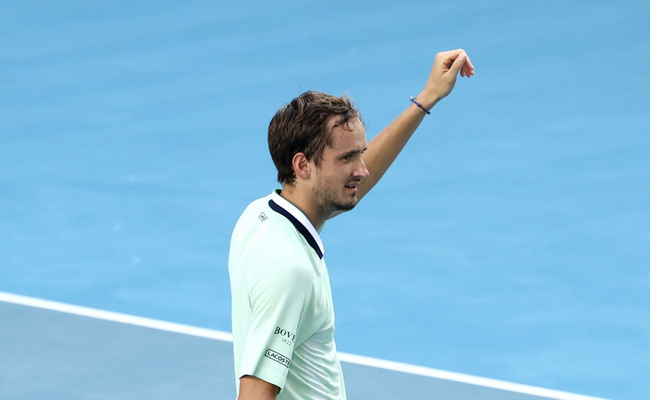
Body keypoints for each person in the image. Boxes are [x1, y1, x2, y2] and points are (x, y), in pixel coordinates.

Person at [228, 49, 475, 400]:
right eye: (347, 158)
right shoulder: (290, 269)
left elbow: (347, 182)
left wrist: (426, 99)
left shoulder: (259, 216)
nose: (362, 170)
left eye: (359, 153)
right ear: (302, 166)